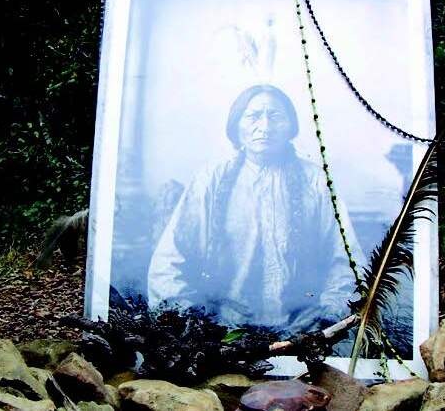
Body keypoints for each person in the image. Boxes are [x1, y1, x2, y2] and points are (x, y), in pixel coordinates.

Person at [147, 84, 362, 335]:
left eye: (275, 116)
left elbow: (346, 261)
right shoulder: (211, 180)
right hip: (222, 329)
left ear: (291, 127)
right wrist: (196, 325)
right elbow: (168, 263)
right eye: (253, 116)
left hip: (303, 330)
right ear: (236, 126)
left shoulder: (316, 181)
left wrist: (327, 316)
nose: (265, 127)